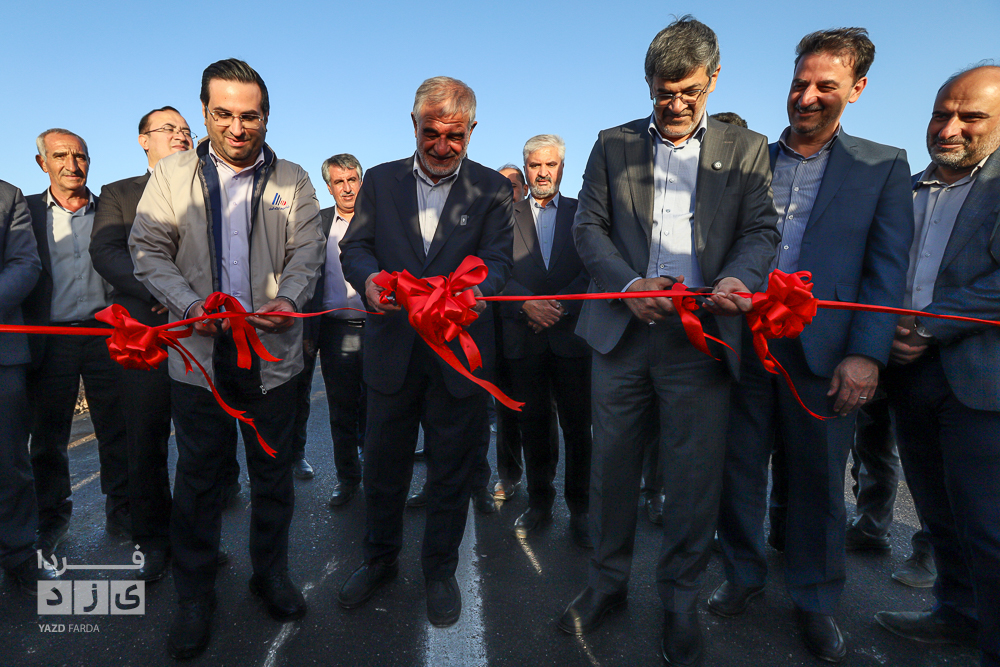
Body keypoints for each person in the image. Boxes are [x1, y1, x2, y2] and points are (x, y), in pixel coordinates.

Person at [558, 17, 780, 667]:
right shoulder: (612, 144)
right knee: (611, 469)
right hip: (621, 336)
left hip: (700, 339)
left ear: (714, 79)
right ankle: (606, 584)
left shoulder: (747, 148)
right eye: (663, 93)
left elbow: (761, 231)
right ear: (649, 84)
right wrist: (627, 284)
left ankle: (680, 601)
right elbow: (588, 228)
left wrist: (738, 277)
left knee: (691, 478)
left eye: (689, 91)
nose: (676, 104)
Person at [712, 28, 914, 663]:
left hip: (825, 355)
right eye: (800, 82)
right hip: (745, 345)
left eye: (826, 85)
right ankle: (741, 575)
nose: (807, 96)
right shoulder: (749, 159)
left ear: (857, 89)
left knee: (820, 483)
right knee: (737, 471)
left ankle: (815, 599)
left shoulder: (884, 166)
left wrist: (867, 354)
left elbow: (887, 270)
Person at [130, 58, 325, 660]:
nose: (237, 128)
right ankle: (195, 596)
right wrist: (190, 305)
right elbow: (147, 249)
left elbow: (309, 248)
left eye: (250, 116)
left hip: (272, 359)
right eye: (223, 114)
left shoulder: (293, 178)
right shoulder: (170, 177)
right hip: (198, 359)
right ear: (204, 112)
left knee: (273, 477)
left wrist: (289, 298)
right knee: (198, 479)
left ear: (267, 116)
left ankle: (271, 574)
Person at [338, 76, 513, 627]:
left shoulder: (493, 189)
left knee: (451, 472)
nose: (441, 146)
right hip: (392, 352)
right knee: (383, 467)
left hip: (458, 356)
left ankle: (439, 570)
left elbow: (500, 262)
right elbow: (355, 248)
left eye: (454, 136)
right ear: (412, 124)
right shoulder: (380, 180)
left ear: (472, 130)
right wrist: (368, 280)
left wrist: (472, 294)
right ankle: (379, 559)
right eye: (430, 133)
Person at [875, 64, 1000, 667]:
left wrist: (926, 325)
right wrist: (885, 332)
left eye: (970, 117)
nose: (950, 128)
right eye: (941, 114)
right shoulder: (903, 189)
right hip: (908, 375)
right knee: (936, 510)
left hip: (980, 380)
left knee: (988, 524)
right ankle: (956, 614)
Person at [90, 106, 239, 582]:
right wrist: (163, 292)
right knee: (146, 439)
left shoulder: (211, 186)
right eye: (168, 128)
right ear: (143, 140)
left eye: (186, 129)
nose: (180, 135)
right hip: (147, 335)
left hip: (203, 336)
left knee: (203, 444)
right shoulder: (118, 193)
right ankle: (152, 541)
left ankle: (197, 541)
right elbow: (106, 251)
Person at [22, 129, 129, 553]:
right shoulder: (27, 213)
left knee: (116, 429)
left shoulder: (111, 212)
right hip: (51, 338)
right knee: (48, 437)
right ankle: (51, 518)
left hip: (106, 334)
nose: (72, 164)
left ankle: (123, 513)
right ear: (42, 163)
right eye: (60, 155)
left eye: (80, 155)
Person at [500, 135, 592, 548]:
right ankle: (539, 503)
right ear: (526, 167)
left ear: (561, 168)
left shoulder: (583, 212)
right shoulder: (504, 215)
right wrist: (527, 306)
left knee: (578, 428)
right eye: (535, 165)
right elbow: (494, 270)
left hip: (572, 339)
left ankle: (581, 508)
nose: (542, 173)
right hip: (525, 339)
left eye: (550, 165)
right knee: (533, 426)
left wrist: (558, 308)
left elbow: (593, 268)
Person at [295, 153, 367, 503]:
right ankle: (348, 479)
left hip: (378, 330)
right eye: (339, 182)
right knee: (341, 411)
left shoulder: (380, 220)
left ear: (361, 182)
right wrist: (309, 334)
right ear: (329, 187)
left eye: (352, 180)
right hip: (335, 332)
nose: (347, 188)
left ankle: (379, 477)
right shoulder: (318, 224)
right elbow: (306, 278)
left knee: (378, 409)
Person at [0, 179, 59, 595]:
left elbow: (24, 264)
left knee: (9, 461)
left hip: (2, 354)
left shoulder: (7, 196)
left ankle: (18, 552)